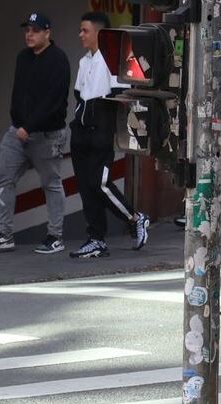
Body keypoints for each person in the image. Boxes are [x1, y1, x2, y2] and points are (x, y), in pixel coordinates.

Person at [0, 12, 71, 255]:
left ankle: (55, 235)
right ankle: (5, 233)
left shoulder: (58, 59)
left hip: (47, 134)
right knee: (3, 175)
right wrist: (18, 124)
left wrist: (29, 127)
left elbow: (54, 101)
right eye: (27, 30)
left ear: (47, 33)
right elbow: (19, 94)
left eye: (34, 30)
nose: (29, 34)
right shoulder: (23, 57)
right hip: (18, 131)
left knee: (51, 183)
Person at [67, 12, 150, 260]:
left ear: (99, 33)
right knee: (85, 188)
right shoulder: (84, 61)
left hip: (102, 129)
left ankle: (135, 218)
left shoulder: (114, 57)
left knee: (100, 184)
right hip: (81, 131)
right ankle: (96, 239)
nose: (81, 35)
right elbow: (78, 96)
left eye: (85, 30)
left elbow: (124, 93)